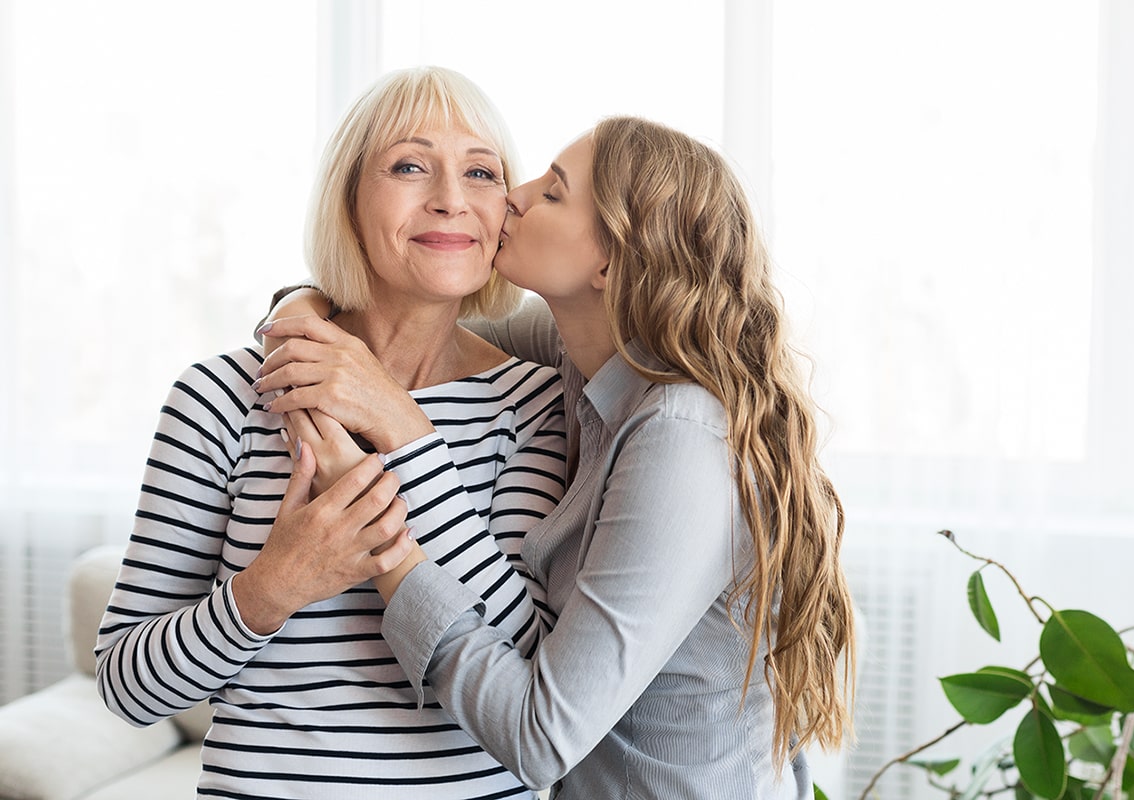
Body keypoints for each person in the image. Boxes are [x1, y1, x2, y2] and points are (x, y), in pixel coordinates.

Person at [259, 115, 856, 798]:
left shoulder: (682, 436)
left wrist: (387, 536)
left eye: (552, 192)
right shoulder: (588, 353)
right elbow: (405, 330)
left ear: (608, 263)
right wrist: (302, 310)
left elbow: (540, 738)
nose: (514, 193)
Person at [94, 66, 567, 800]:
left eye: (481, 171)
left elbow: (531, 662)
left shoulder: (536, 403)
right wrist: (270, 589)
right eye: (410, 165)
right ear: (347, 198)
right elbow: (126, 687)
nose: (450, 198)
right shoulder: (220, 397)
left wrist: (406, 432)